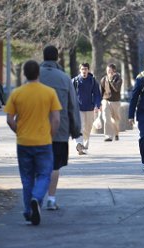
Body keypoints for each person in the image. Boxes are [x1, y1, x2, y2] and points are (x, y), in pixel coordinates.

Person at [4, 60, 62, 225]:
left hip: (23, 142)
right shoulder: (49, 92)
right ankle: (36, 198)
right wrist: (50, 135)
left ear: (24, 74)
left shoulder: (17, 93)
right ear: (38, 74)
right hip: (43, 141)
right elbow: (56, 119)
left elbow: (9, 119)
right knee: (44, 174)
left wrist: (19, 131)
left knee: (27, 177)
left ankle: (29, 210)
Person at [40, 45, 81, 210]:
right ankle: (51, 198)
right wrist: (76, 129)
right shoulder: (65, 78)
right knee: (55, 166)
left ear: (43, 57)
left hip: (36, 129)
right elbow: (73, 106)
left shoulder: (34, 76)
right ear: (57, 58)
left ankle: (37, 196)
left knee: (39, 164)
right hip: (60, 129)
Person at [72, 63, 101, 154]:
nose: (84, 71)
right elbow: (69, 94)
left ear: (88, 70)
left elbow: (97, 94)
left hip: (90, 108)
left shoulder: (92, 81)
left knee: (88, 128)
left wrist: (97, 105)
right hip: (78, 108)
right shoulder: (75, 81)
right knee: (79, 127)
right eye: (82, 69)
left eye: (86, 69)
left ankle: (84, 145)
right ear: (80, 70)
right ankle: (79, 144)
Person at [100, 63, 123, 142]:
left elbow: (117, 89)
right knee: (106, 119)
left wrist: (111, 80)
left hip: (116, 102)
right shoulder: (103, 79)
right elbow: (101, 92)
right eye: (107, 71)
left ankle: (116, 133)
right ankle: (108, 136)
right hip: (106, 101)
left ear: (114, 71)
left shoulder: (118, 79)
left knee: (115, 120)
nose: (108, 72)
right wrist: (99, 104)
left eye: (110, 71)